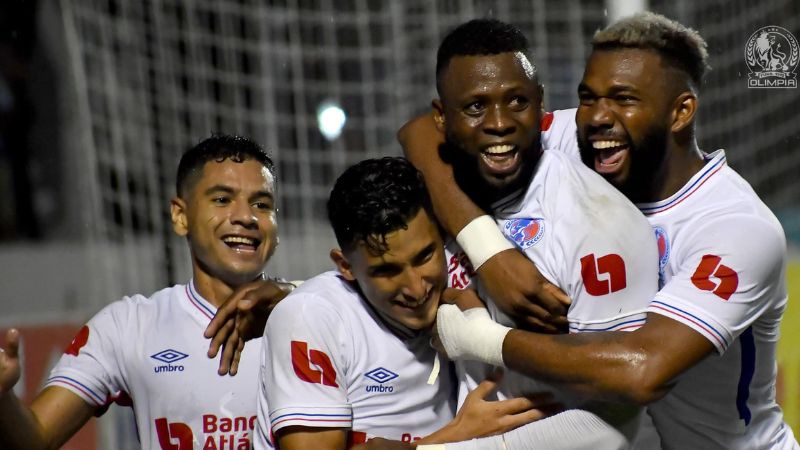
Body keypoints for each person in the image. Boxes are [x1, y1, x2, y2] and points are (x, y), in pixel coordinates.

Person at [432, 13, 799, 449]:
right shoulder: (578, 138)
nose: (597, 117)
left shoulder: (735, 229)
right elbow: (423, 134)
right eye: (589, 97)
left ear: (680, 112)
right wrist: (488, 250)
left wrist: (481, 339)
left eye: (624, 99)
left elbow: (641, 372)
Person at [398, 18, 662, 446]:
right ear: (441, 118)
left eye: (517, 102)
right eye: (475, 107)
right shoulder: (429, 194)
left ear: (541, 106)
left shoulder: (599, 227)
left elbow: (614, 418)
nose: (499, 123)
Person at [255, 156, 572, 450]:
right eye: (387, 271)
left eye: (425, 257)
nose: (416, 288)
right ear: (345, 266)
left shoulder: (463, 283)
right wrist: (456, 439)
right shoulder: (311, 317)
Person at [0, 134, 293, 450]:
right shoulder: (128, 326)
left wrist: (294, 297)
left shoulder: (313, 314)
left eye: (261, 204)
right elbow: (35, 439)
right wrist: (2, 397)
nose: (246, 217)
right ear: (180, 217)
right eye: (222, 200)